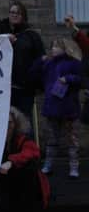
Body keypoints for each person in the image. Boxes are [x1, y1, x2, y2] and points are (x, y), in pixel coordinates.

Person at [29, 38, 83, 178]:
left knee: (72, 140)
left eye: (56, 47)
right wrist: (40, 61)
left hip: (69, 108)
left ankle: (74, 167)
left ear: (65, 48)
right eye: (52, 46)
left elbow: (81, 79)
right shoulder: (48, 63)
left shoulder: (73, 62)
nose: (53, 49)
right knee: (52, 139)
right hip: (52, 107)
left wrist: (69, 79)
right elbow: (33, 74)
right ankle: (48, 164)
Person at [0, 107, 46, 212]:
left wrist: (11, 161)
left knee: (29, 166)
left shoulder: (22, 140)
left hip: (22, 188)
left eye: (10, 123)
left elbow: (32, 152)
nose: (7, 126)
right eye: (4, 122)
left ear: (16, 124)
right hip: (3, 189)